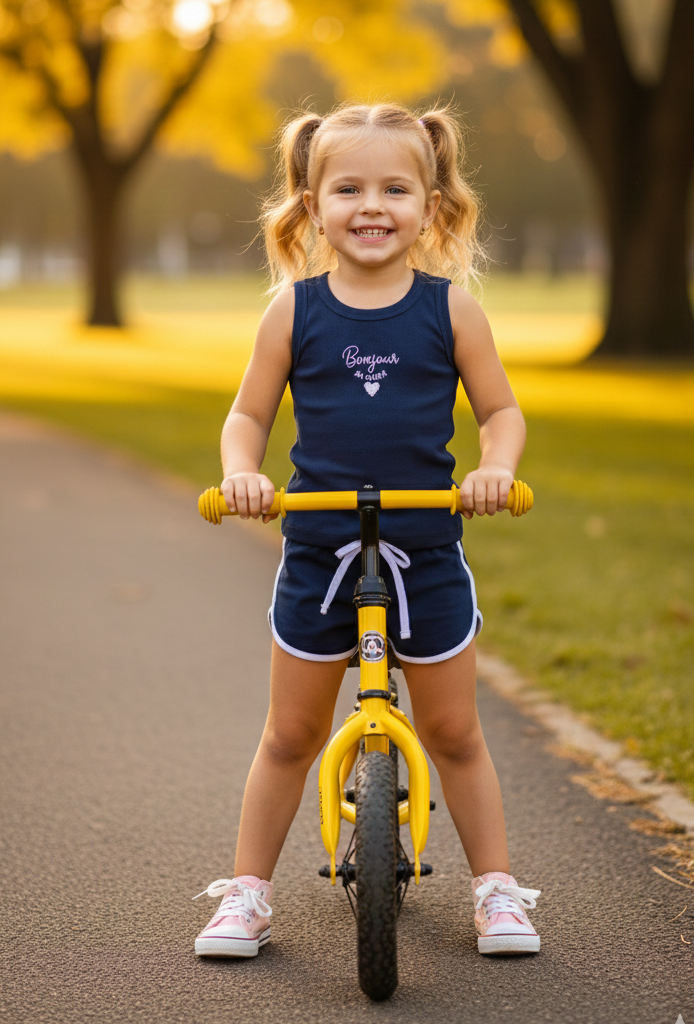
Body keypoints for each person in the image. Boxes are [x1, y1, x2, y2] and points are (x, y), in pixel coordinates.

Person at [194, 103, 541, 960]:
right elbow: (248, 415)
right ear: (313, 206)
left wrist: (494, 467)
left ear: (433, 205)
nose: (371, 205)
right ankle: (247, 892)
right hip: (319, 549)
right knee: (290, 735)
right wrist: (244, 471)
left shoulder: (450, 311)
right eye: (347, 187)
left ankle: (497, 887)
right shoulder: (294, 311)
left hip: (424, 546)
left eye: (395, 187)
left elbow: (500, 410)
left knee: (455, 731)